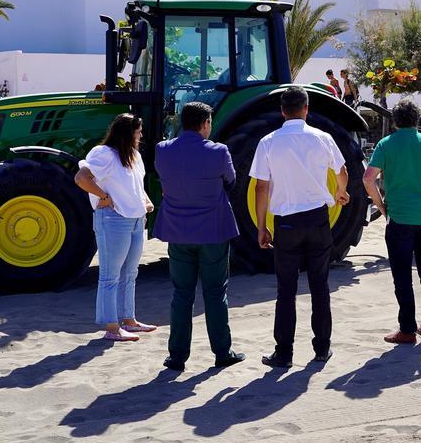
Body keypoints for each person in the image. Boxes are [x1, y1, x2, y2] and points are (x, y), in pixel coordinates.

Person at [250, 86, 349, 367]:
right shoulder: (323, 137)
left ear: (282, 111)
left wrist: (261, 226)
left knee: (286, 290)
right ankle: (321, 348)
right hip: (318, 219)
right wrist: (341, 192)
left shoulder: (268, 142)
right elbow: (342, 171)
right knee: (319, 285)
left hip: (286, 223)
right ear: (306, 109)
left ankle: (284, 352)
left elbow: (260, 187)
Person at [153, 102, 245, 371]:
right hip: (213, 230)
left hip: (177, 231)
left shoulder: (163, 149)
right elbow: (231, 180)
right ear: (205, 123)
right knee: (216, 293)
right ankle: (222, 352)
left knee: (181, 293)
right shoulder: (218, 151)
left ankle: (177, 357)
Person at [362, 99, 421, 344]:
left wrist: (380, 204)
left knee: (402, 276)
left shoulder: (386, 144)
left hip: (400, 218)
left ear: (394, 121)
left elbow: (368, 178)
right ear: (418, 119)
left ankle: (407, 329)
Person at [74, 113, 157, 342]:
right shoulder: (104, 154)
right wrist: (103, 196)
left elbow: (134, 185)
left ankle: (129, 320)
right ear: (127, 133)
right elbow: (81, 178)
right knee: (110, 275)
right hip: (113, 219)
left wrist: (145, 202)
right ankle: (112, 327)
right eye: (138, 132)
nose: (140, 136)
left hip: (134, 219)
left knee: (130, 273)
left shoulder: (134, 156)